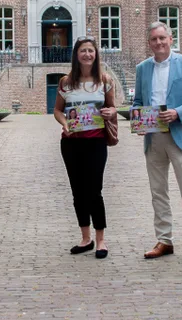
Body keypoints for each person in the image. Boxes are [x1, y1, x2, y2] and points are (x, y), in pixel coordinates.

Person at [133, 22, 182, 263]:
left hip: (180, 135)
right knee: (158, 192)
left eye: (162, 38)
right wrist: (139, 120)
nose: (159, 43)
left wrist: (178, 112)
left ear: (171, 39)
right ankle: (164, 240)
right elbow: (137, 101)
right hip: (153, 137)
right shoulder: (142, 68)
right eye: (154, 39)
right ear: (149, 43)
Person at [53, 36, 117, 259]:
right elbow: (58, 111)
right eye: (83, 51)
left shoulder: (105, 81)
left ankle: (101, 240)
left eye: (91, 50)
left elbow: (112, 108)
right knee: (78, 191)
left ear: (96, 54)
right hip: (71, 143)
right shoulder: (65, 82)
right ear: (76, 55)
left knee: (94, 190)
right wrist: (65, 124)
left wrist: (111, 112)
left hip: (96, 141)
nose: (87, 54)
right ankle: (85, 238)